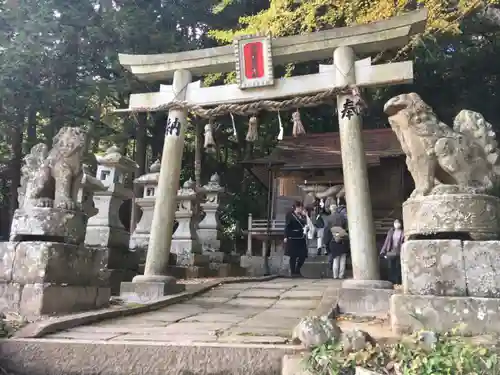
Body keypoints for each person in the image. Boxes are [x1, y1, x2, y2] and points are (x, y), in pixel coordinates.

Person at [324, 199, 349, 279]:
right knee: (343, 259)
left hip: (333, 240)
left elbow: (327, 232)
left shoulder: (328, 219)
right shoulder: (342, 218)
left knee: (336, 259)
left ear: (331, 210)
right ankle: (341, 275)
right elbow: (345, 228)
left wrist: (326, 242)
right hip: (343, 239)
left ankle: (335, 275)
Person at [284, 201, 308, 278]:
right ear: (297, 207)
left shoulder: (303, 216)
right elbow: (287, 226)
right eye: (300, 207)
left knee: (303, 255)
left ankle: (298, 269)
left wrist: (305, 216)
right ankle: (293, 272)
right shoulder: (290, 215)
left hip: (301, 237)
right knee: (293, 256)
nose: (301, 209)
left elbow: (307, 224)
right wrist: (285, 236)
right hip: (293, 237)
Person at [380, 219, 404, 284]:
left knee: (398, 267)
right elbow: (387, 242)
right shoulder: (391, 232)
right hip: (391, 252)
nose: (397, 224)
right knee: (391, 267)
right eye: (395, 222)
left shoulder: (403, 232)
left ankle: (398, 282)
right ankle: (391, 282)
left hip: (399, 252)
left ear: (401, 224)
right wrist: (383, 251)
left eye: (398, 222)